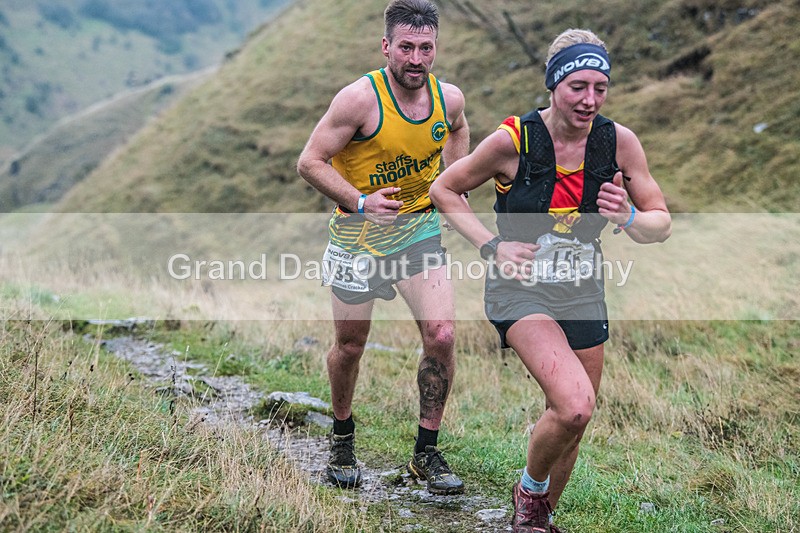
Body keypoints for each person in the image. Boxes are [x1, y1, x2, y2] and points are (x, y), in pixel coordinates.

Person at [429, 28, 670, 531]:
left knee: (570, 424)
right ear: (553, 85)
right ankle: (530, 493)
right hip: (520, 290)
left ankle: (536, 522)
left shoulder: (617, 141)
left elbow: (660, 224)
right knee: (576, 406)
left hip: (582, 290)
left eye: (600, 88)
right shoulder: (513, 141)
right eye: (578, 86)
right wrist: (490, 245)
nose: (589, 99)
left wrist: (628, 217)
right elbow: (444, 189)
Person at [296, 0, 469, 495]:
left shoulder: (448, 98)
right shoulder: (358, 100)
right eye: (407, 47)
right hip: (358, 238)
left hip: (418, 230)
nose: (416, 58)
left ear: (436, 47)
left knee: (441, 335)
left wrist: (451, 185)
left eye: (426, 47)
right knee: (351, 345)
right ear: (387, 47)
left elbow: (459, 131)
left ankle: (426, 453)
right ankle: (343, 438)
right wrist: (359, 201)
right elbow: (310, 161)